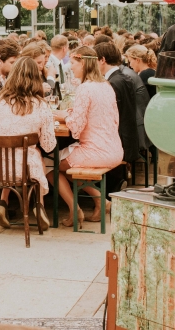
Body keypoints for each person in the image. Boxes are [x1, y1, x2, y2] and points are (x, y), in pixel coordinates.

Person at [51, 47, 123, 226]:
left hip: (96, 151)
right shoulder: (105, 85)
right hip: (115, 149)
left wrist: (63, 116)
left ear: (83, 63)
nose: (71, 67)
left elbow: (76, 127)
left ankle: (74, 210)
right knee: (65, 166)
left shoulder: (85, 88)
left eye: (73, 63)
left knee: (50, 166)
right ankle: (100, 201)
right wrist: (70, 113)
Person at [0, 57, 56, 230]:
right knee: (37, 155)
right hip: (25, 169)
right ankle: (38, 205)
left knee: (12, 153)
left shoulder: (0, 102)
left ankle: (2, 202)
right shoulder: (40, 105)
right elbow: (49, 145)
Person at [94, 42, 141, 193]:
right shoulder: (123, 78)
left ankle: (102, 192)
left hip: (118, 142)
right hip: (128, 138)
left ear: (102, 60)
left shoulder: (112, 83)